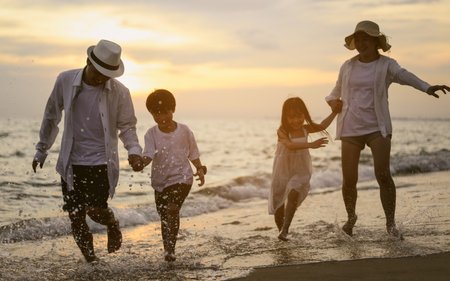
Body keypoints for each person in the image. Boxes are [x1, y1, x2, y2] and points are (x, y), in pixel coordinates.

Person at [326, 20, 449, 238]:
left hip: (377, 126)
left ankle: (390, 225)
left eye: (366, 39)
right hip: (351, 127)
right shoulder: (347, 66)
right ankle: (351, 217)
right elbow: (334, 93)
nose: (362, 43)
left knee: (382, 174)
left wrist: (427, 87)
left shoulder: (386, 65)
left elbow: (406, 75)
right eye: (358, 39)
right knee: (349, 179)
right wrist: (332, 102)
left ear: (375, 42)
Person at [32, 39, 144, 262]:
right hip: (71, 162)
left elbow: (127, 126)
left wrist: (134, 150)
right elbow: (52, 115)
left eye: (107, 74)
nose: (102, 78)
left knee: (95, 211)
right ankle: (91, 261)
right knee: (75, 216)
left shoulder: (120, 92)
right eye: (99, 72)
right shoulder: (65, 80)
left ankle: (112, 222)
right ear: (87, 62)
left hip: (101, 161)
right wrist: (42, 149)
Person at [137, 89, 206, 262]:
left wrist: (199, 169)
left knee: (172, 209)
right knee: (164, 216)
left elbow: (193, 153)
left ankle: (171, 251)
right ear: (152, 114)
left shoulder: (185, 131)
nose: (161, 118)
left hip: (182, 178)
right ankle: (168, 249)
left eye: (165, 112)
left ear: (172, 110)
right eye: (156, 114)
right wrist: (140, 163)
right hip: (160, 182)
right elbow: (148, 155)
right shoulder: (151, 134)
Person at [269, 97, 342, 241]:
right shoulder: (282, 130)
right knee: (278, 204)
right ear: (285, 117)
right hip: (282, 170)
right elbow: (289, 145)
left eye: (299, 116)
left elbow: (322, 126)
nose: (296, 120)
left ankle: (285, 230)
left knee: (294, 193)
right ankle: (281, 231)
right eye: (292, 117)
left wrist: (335, 112)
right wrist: (310, 145)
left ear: (304, 114)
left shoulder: (305, 129)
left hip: (300, 169)